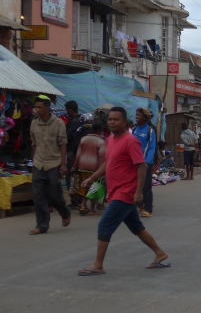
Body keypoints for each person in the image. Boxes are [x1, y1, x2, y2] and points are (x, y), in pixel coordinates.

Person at [78, 107, 169, 276]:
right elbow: (108, 163)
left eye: (116, 119)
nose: (112, 122)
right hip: (115, 190)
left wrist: (138, 192)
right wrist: (92, 178)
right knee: (137, 227)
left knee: (105, 224)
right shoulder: (111, 140)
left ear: (124, 122)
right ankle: (160, 253)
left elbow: (141, 166)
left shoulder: (131, 141)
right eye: (110, 119)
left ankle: (98, 265)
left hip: (125, 192)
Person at [29, 96, 71, 235]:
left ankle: (65, 212)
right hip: (38, 163)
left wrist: (63, 165)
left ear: (47, 107)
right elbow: (34, 143)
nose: (37, 110)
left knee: (54, 194)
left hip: (54, 163)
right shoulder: (34, 124)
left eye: (40, 107)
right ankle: (41, 226)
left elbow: (63, 144)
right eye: (36, 107)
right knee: (38, 196)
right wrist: (34, 160)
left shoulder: (58, 123)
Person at [74, 122, 106, 216]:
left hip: (82, 165)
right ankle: (92, 209)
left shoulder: (83, 139)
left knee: (83, 185)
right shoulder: (101, 142)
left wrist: (74, 166)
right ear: (100, 131)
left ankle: (83, 205)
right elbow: (102, 157)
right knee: (94, 187)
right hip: (94, 168)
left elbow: (78, 154)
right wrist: (102, 171)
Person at [132, 108, 156, 217]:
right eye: (136, 115)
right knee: (136, 185)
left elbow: (152, 147)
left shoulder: (150, 130)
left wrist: (147, 162)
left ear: (145, 118)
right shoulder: (134, 129)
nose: (136, 116)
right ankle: (139, 205)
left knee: (146, 186)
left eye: (139, 115)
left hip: (145, 163)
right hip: (134, 163)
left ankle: (148, 209)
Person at [64, 100, 82, 208]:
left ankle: (75, 201)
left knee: (70, 177)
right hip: (79, 153)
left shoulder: (74, 121)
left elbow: (68, 135)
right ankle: (79, 200)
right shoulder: (82, 120)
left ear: (70, 110)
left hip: (72, 152)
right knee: (78, 177)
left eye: (67, 110)